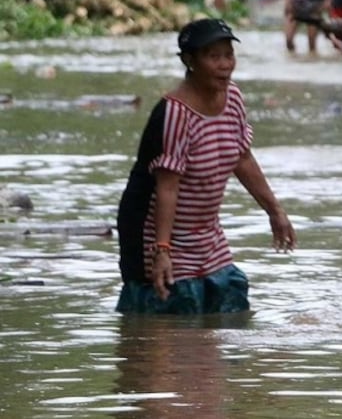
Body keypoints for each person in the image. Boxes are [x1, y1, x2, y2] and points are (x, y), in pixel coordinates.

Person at [115, 18, 295, 314]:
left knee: (227, 309)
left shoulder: (233, 97)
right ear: (190, 61)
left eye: (229, 55)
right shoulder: (175, 113)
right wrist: (162, 251)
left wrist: (275, 211)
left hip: (206, 232)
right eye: (214, 57)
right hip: (156, 233)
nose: (225, 65)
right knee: (166, 321)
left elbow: (243, 157)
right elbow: (167, 187)